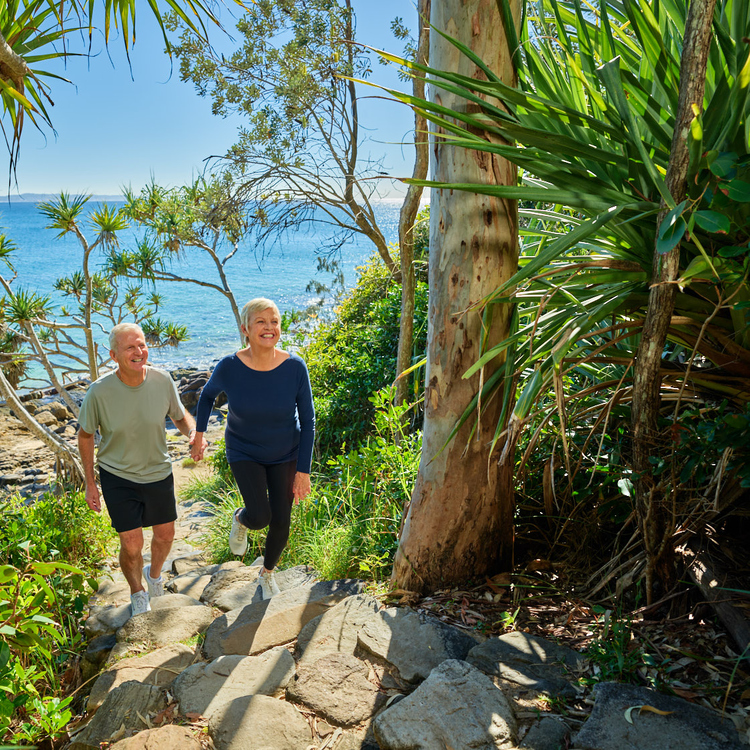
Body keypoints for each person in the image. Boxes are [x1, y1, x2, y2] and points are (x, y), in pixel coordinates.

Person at [78, 323, 206, 617]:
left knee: (165, 536)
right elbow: (85, 436)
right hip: (117, 475)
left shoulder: (162, 380)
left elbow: (180, 416)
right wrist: (90, 483)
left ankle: (155, 575)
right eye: (130, 347)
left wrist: (193, 433)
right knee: (131, 542)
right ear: (113, 355)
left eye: (142, 345)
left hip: (158, 471)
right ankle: (137, 592)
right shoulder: (99, 392)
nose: (139, 352)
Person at [190, 298, 314, 599]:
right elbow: (207, 397)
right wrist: (199, 434)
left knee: (282, 521)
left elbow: (309, 421)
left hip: (286, 451)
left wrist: (303, 472)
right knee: (260, 517)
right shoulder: (230, 366)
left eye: (274, 322)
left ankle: (266, 574)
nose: (269, 328)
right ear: (246, 329)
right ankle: (240, 519)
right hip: (244, 449)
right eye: (261, 322)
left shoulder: (294, 367)